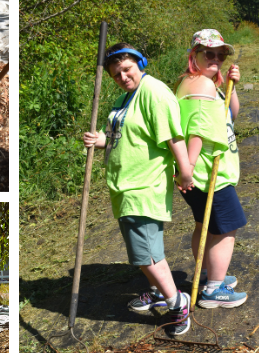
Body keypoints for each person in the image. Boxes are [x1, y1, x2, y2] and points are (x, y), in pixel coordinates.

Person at [81, 43, 195, 337]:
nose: (123, 76)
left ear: (140, 64)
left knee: (146, 255)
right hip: (123, 187)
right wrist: (101, 140)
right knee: (146, 251)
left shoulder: (153, 92)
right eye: (116, 73)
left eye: (127, 68)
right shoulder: (125, 97)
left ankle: (176, 303)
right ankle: (160, 292)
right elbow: (125, 138)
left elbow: (173, 136)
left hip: (142, 186)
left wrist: (185, 172)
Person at [175, 30, 248, 308]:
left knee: (204, 225)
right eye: (210, 53)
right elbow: (198, 130)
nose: (216, 58)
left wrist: (231, 86)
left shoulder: (200, 83)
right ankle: (214, 290)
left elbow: (231, 115)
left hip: (199, 173)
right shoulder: (201, 85)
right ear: (194, 55)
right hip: (208, 173)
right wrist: (189, 168)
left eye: (221, 54)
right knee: (226, 230)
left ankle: (208, 275)